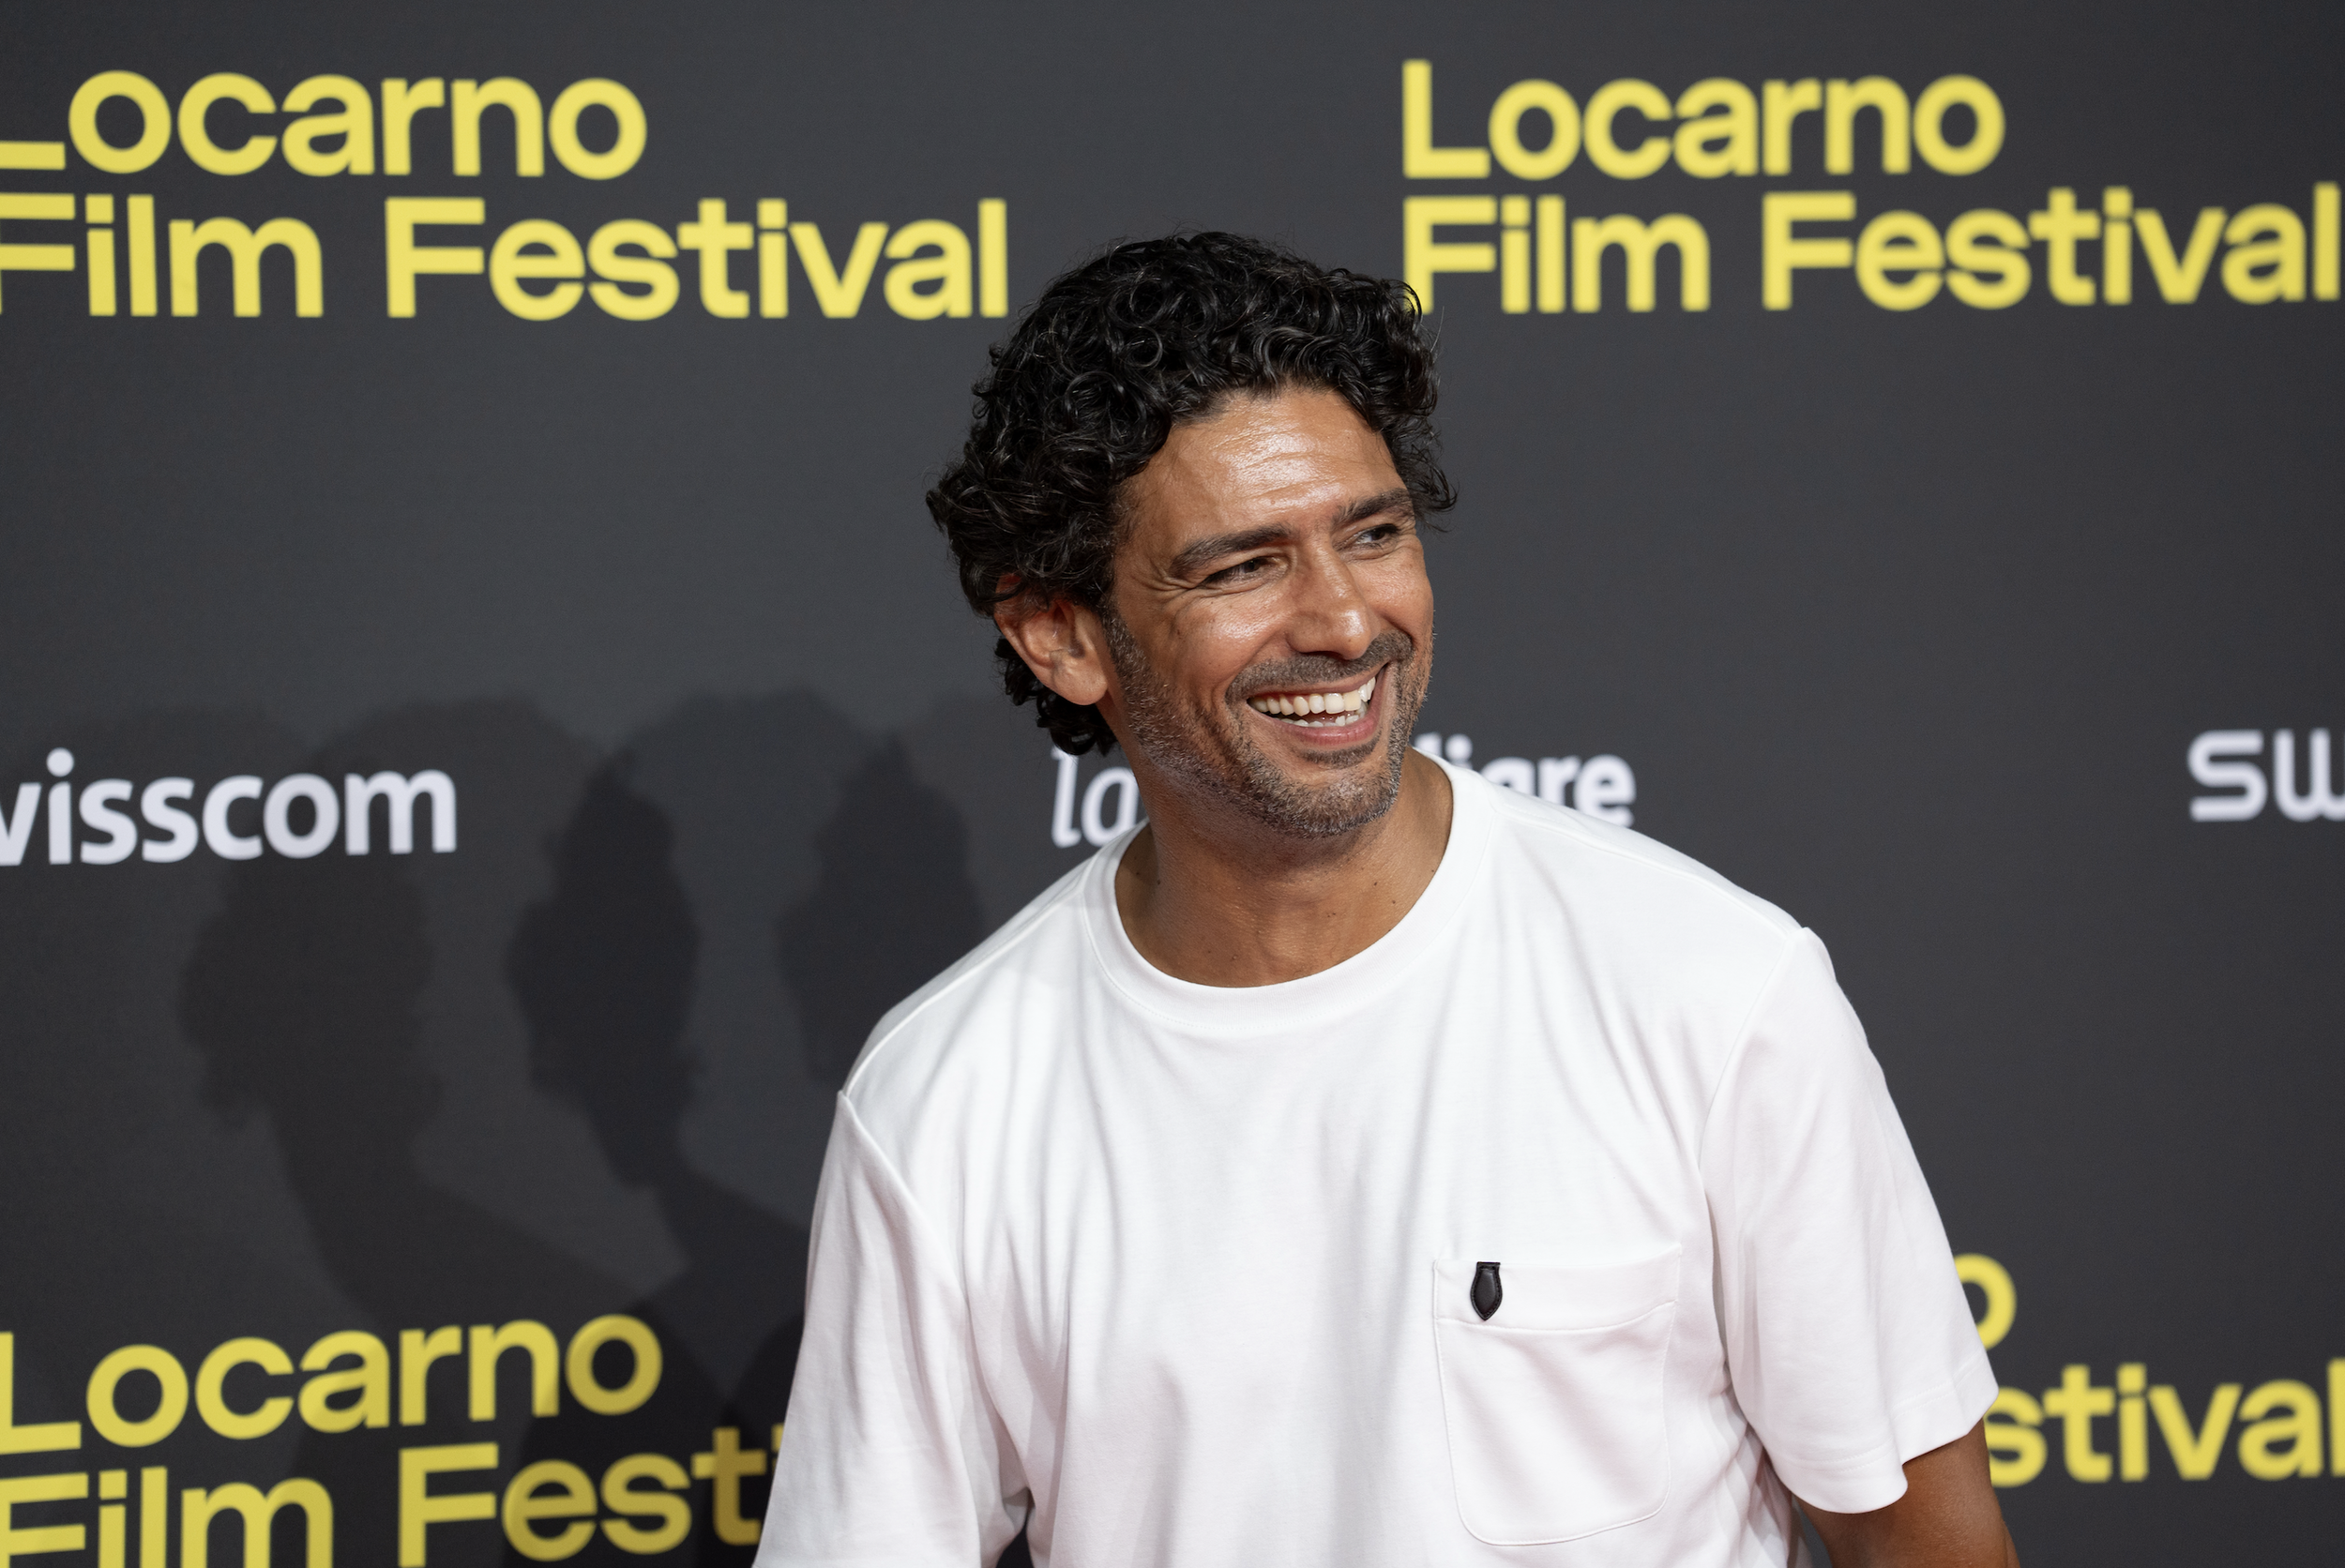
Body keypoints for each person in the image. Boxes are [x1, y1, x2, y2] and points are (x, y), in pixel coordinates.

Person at [759, 234, 2017, 1567]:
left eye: (1373, 534)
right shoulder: (945, 1105)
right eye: (1243, 567)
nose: (1347, 623)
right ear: (1062, 634)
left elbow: (1927, 1545)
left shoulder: (1711, 992)